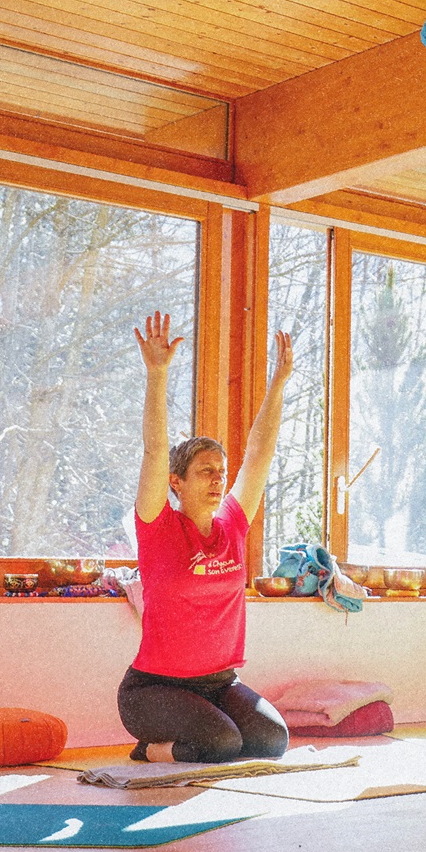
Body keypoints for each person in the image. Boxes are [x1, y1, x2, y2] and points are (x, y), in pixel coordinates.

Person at [120, 312, 294, 763]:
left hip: (220, 683)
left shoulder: (233, 522)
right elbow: (156, 449)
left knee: (272, 741)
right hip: (153, 690)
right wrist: (157, 375)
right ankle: (150, 750)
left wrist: (278, 381)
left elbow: (259, 453)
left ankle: (201, 733)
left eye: (221, 471)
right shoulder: (158, 526)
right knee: (221, 744)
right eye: (205, 471)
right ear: (176, 481)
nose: (219, 480)